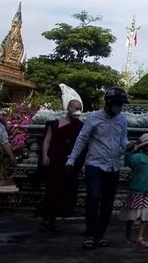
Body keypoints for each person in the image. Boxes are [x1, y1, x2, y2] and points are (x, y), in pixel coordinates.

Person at [66, 86, 132, 250]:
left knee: (108, 204)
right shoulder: (94, 117)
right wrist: (71, 160)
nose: (120, 108)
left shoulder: (122, 119)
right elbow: (82, 139)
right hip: (94, 165)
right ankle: (89, 234)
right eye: (117, 104)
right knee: (93, 199)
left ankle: (99, 235)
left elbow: (123, 140)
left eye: (121, 105)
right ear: (109, 103)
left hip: (113, 167)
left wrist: (130, 146)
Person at [37, 98, 84, 231]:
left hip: (69, 163)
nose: (77, 111)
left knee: (66, 191)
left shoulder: (81, 127)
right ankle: (47, 219)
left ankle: (55, 217)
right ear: (69, 109)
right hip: (55, 161)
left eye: (80, 109)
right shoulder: (55, 124)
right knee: (52, 191)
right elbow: (47, 141)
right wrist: (45, 155)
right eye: (75, 108)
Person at [121, 132, 148, 248]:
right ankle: (128, 232)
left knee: (145, 215)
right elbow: (127, 161)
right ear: (146, 146)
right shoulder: (137, 157)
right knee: (132, 214)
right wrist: (128, 151)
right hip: (137, 190)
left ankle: (140, 237)